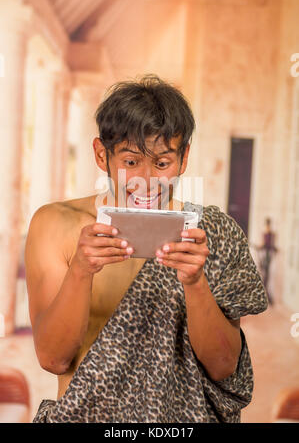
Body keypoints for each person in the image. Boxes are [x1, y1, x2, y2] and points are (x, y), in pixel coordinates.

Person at [25, 75, 268, 423]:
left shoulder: (214, 233)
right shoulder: (55, 224)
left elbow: (223, 367)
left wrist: (195, 282)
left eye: (162, 163)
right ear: (100, 154)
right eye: (130, 162)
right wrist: (81, 270)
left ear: (183, 159)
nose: (147, 180)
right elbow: (53, 359)